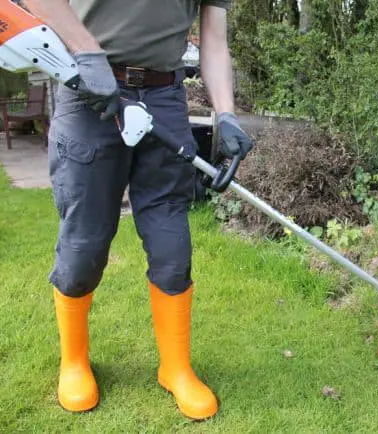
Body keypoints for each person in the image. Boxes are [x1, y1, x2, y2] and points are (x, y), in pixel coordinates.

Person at [22, 0, 253, 420]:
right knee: (83, 247)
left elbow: (214, 41)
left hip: (164, 97)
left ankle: (175, 367)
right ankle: (73, 361)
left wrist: (227, 115)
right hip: (88, 90)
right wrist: (88, 55)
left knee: (171, 247)